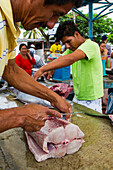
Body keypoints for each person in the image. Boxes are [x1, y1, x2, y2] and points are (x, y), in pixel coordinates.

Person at [0, 0, 84, 132]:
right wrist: (20, 116)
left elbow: (10, 70)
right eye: (55, 13)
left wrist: (53, 98)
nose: (51, 25)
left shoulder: (9, 25)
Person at [34, 21, 103, 113]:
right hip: (78, 97)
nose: (67, 46)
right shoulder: (73, 49)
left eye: (68, 41)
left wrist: (42, 69)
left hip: (91, 100)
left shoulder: (91, 45)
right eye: (64, 43)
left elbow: (70, 59)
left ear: (76, 34)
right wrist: (51, 67)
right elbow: (61, 59)